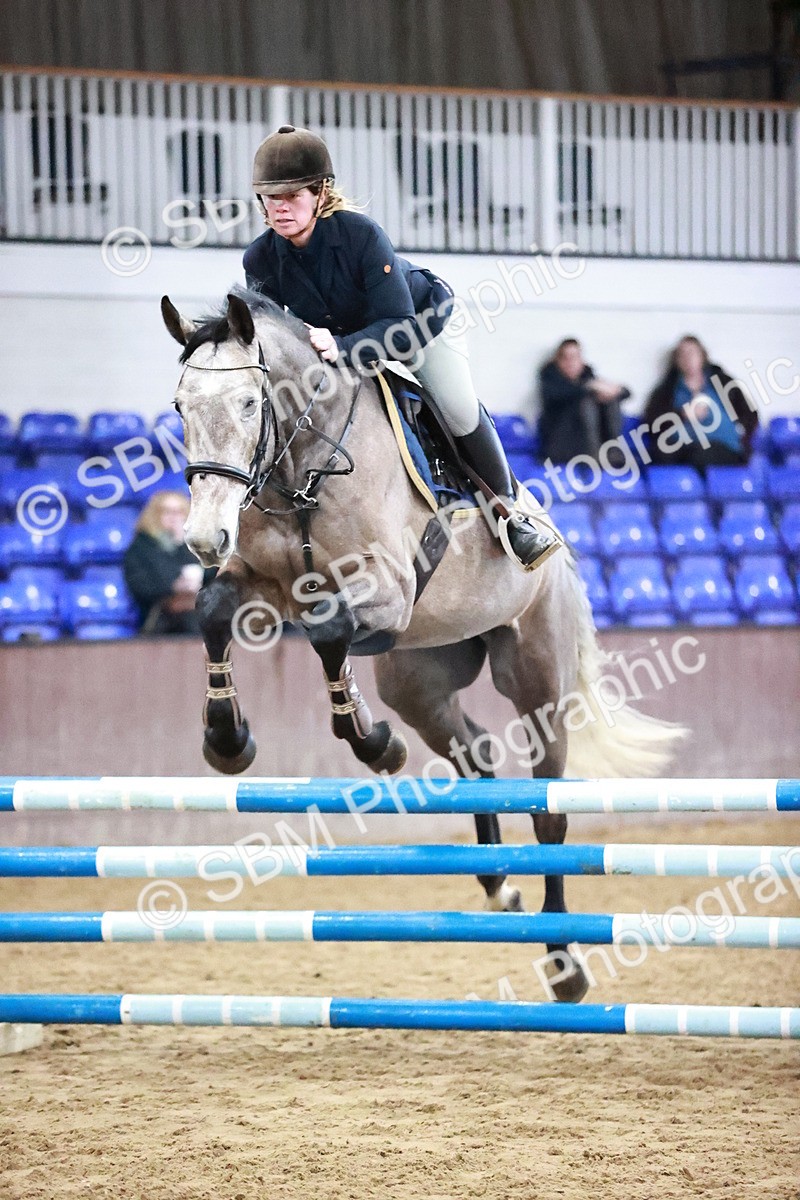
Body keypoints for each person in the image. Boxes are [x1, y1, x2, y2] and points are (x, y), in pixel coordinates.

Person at [242, 124, 560, 571]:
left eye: (292, 196)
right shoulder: (259, 258)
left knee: (456, 407)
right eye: (270, 198)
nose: (280, 208)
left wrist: (343, 345)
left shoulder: (360, 235)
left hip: (419, 328)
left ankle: (510, 516)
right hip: (340, 344)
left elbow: (400, 325)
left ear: (320, 193)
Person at [643, 335, 757, 468]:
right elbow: (652, 422)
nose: (687, 358)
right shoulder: (667, 388)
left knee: (700, 455)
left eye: (692, 353)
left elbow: (750, 414)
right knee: (659, 456)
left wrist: (743, 441)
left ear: (702, 355)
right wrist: (682, 415)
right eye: (682, 355)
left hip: (721, 446)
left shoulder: (723, 381)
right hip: (682, 445)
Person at [124, 491, 212, 634]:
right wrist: (174, 587)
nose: (174, 518)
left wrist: (182, 543)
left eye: (179, 512)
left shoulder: (198, 545)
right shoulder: (141, 547)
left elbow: (212, 573)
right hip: (160, 619)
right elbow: (141, 587)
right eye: (167, 512)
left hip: (199, 614)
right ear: (154, 515)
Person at [538, 338, 630, 464]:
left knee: (610, 401)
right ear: (557, 360)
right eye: (565, 358)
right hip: (561, 445)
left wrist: (613, 390)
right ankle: (595, 455)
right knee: (586, 403)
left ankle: (612, 450)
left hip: (595, 446)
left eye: (574, 357)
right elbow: (562, 394)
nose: (570, 363)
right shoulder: (551, 380)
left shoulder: (587, 377)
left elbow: (626, 393)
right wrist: (590, 387)